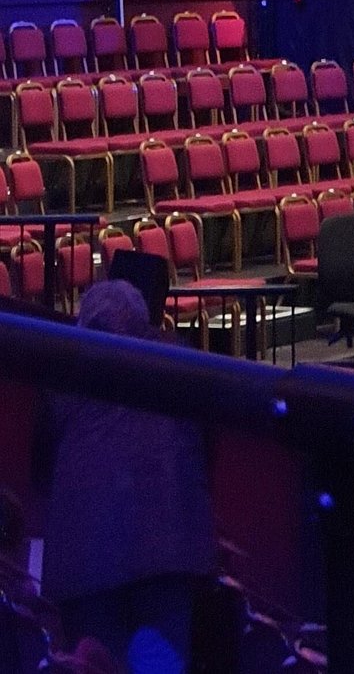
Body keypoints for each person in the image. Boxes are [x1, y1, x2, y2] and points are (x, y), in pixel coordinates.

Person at [40, 278, 217, 674]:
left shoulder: (60, 368)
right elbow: (206, 448)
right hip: (169, 550)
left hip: (86, 563)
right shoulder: (178, 359)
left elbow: (42, 465)